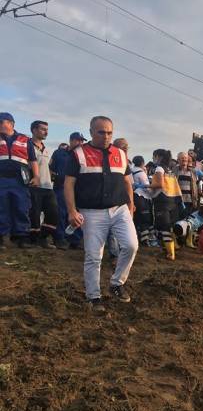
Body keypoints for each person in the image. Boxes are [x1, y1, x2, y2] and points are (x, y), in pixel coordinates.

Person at [64, 116, 138, 309]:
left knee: (131, 245)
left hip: (120, 209)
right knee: (93, 256)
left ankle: (117, 283)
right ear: (91, 132)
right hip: (91, 212)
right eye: (101, 132)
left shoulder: (120, 154)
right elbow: (69, 184)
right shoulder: (78, 154)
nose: (106, 136)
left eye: (109, 132)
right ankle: (93, 297)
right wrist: (72, 210)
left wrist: (130, 206)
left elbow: (127, 181)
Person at [0, 112, 40, 249]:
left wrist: (36, 176)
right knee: (2, 208)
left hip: (20, 181)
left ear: (11, 124)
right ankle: (2, 237)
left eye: (1, 122)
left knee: (21, 207)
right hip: (1, 180)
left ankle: (22, 237)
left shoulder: (24, 139)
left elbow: (33, 160)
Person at [50, 132, 85, 249]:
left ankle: (75, 239)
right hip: (60, 187)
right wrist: (57, 176)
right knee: (61, 213)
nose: (80, 143)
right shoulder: (59, 153)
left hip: (78, 189)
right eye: (78, 140)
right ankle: (59, 238)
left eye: (82, 141)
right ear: (71, 140)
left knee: (77, 214)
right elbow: (51, 169)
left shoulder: (82, 155)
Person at [28, 120, 60, 249]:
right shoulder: (27, 146)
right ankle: (33, 240)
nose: (46, 132)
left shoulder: (46, 149)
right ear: (34, 130)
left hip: (48, 186)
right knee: (34, 214)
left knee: (53, 213)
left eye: (47, 129)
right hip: (34, 186)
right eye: (43, 129)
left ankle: (44, 238)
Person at [149, 149, 182, 260]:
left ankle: (170, 253)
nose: (153, 159)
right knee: (169, 226)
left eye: (154, 156)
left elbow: (159, 184)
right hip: (172, 200)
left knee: (164, 227)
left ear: (158, 157)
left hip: (162, 201)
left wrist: (145, 186)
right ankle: (173, 249)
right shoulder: (170, 170)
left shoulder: (159, 168)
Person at [131, 155, 155, 246]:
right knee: (145, 218)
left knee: (137, 218)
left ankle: (137, 237)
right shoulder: (141, 173)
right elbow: (146, 185)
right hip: (142, 197)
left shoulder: (131, 171)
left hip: (134, 196)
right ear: (142, 163)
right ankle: (145, 240)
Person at [174, 151, 199, 218]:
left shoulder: (193, 171)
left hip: (190, 201)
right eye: (182, 158)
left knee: (188, 221)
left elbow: (197, 186)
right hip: (178, 201)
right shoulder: (175, 170)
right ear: (178, 160)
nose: (184, 159)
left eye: (185, 158)